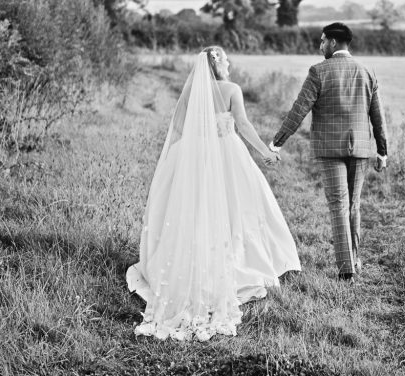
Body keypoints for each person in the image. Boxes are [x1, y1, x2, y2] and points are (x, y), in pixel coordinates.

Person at [126, 47, 301, 341]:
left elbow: (179, 128)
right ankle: (239, 259)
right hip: (228, 155)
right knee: (239, 207)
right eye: (226, 60)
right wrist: (265, 153)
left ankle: (194, 260)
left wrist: (182, 160)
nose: (229, 63)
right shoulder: (232, 89)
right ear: (217, 65)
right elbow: (243, 125)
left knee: (195, 210)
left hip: (195, 155)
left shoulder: (192, 92)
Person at [270, 22, 387, 283]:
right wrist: (382, 151)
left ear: (333, 42)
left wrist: (278, 142)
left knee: (338, 205)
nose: (320, 45)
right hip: (360, 148)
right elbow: (377, 116)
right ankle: (353, 260)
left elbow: (299, 109)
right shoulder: (367, 71)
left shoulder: (318, 71)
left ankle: (346, 268)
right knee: (353, 205)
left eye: (322, 41)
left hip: (329, 149)